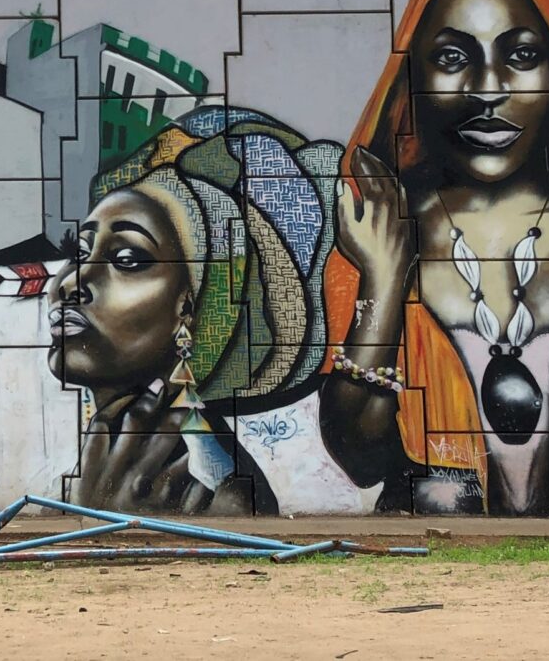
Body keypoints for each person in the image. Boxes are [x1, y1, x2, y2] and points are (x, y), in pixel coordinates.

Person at [320, 0, 549, 516]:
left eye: (522, 55)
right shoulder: (375, 235)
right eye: (454, 58)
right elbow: (359, 457)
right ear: (411, 81)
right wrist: (383, 282)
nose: (487, 89)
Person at [47, 110, 342, 514]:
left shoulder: (220, 492)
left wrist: (105, 514)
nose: (70, 283)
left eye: (128, 258)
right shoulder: (110, 454)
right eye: (78, 253)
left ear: (187, 307)